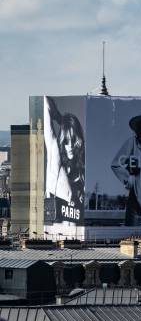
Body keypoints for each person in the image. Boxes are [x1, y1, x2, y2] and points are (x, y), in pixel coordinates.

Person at [44, 96, 85, 225]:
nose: (70, 146)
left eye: (74, 140)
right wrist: (60, 119)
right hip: (55, 232)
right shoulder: (55, 157)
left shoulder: (82, 169)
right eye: (66, 141)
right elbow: (45, 104)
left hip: (76, 235)